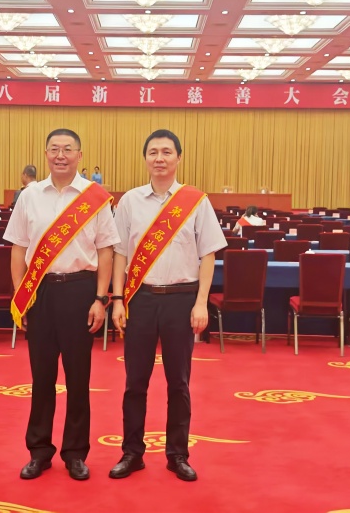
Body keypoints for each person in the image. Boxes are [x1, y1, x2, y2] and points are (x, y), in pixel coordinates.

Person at [109, 129, 226, 482]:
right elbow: (119, 254)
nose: (159, 158)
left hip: (181, 299)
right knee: (135, 382)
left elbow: (208, 254)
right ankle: (132, 453)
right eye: (153, 152)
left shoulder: (195, 201)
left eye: (166, 152)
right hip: (140, 299)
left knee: (179, 383)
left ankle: (178, 455)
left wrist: (201, 303)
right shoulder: (129, 202)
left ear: (178, 158)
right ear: (145, 158)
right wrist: (118, 299)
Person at [4, 128, 119, 482]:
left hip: (80, 291)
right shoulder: (29, 196)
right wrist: (21, 296)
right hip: (40, 293)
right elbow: (18, 248)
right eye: (54, 148)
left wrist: (101, 298)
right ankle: (39, 451)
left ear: (79, 156)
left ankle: (75, 453)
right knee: (41, 377)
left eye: (68, 149)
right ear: (46, 154)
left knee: (78, 378)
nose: (60, 155)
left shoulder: (95, 198)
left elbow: (106, 250)